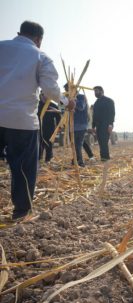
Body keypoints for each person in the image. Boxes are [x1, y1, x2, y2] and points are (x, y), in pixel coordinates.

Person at [0, 21, 75, 221]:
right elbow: (50, 89)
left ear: (19, 33)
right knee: (23, 168)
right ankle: (21, 212)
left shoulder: (1, 47)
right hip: (21, 121)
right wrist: (67, 102)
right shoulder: (40, 56)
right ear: (39, 39)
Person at [92, 86, 115, 161]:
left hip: (106, 124)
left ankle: (106, 157)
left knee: (104, 141)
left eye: (97, 91)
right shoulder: (96, 103)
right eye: (94, 91)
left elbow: (112, 113)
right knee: (100, 142)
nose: (95, 93)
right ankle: (103, 157)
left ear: (102, 91)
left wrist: (110, 124)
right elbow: (94, 115)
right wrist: (93, 126)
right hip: (98, 125)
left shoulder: (109, 101)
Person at [38, 91, 61, 162]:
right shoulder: (36, 105)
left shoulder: (53, 105)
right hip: (38, 128)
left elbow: (58, 118)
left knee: (49, 144)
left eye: (47, 95)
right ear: (40, 95)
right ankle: (39, 159)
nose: (45, 97)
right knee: (39, 144)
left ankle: (48, 160)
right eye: (43, 95)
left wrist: (58, 127)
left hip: (50, 128)